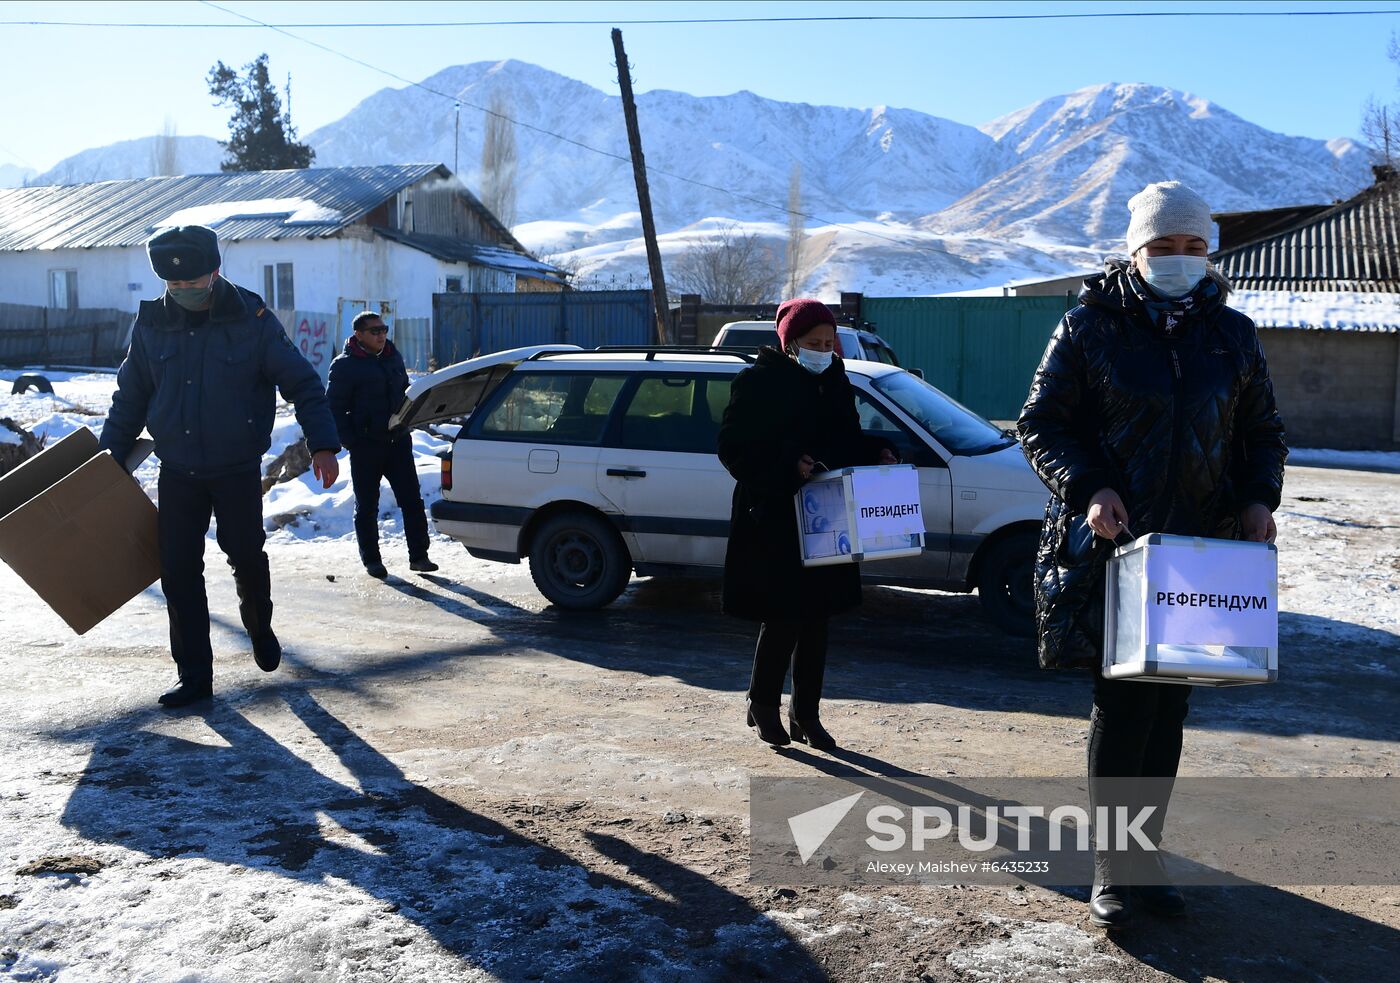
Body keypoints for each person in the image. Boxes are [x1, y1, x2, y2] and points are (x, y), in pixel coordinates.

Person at [1017, 181, 1287, 927]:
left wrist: (1260, 495)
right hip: (1117, 551)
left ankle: (1145, 857)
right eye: (1163, 247)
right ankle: (1110, 867)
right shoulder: (1089, 326)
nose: (1179, 259)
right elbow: (1040, 422)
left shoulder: (1232, 334)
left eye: (1193, 246)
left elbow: (1262, 431)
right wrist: (1092, 486)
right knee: (1121, 703)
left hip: (1199, 554)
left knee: (1168, 709)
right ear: (1135, 252)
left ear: (1210, 251)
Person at [99, 225, 341, 709]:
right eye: (174, 286)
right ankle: (194, 675)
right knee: (178, 571)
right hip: (179, 471)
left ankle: (259, 623)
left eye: (192, 284)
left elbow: (303, 383)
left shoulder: (251, 318)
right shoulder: (151, 324)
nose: (183, 293)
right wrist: (108, 462)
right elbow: (130, 398)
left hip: (235, 468)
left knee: (246, 555)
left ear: (214, 272)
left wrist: (323, 444)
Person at [717, 298, 897, 752]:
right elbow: (733, 449)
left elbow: (847, 439)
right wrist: (787, 465)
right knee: (782, 617)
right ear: (790, 343)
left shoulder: (835, 380)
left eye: (828, 342)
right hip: (774, 514)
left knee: (818, 618)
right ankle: (763, 705)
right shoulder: (757, 382)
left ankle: (806, 714)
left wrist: (877, 451)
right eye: (813, 343)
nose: (823, 350)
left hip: (828, 512)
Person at [326, 311, 437, 579]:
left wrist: (408, 419)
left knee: (412, 500)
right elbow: (333, 409)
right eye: (374, 331)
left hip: (397, 441)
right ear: (359, 335)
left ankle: (419, 557)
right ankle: (372, 561)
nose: (381, 335)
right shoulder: (344, 366)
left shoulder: (392, 356)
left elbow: (405, 391)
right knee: (367, 506)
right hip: (366, 446)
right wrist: (352, 441)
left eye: (383, 329)